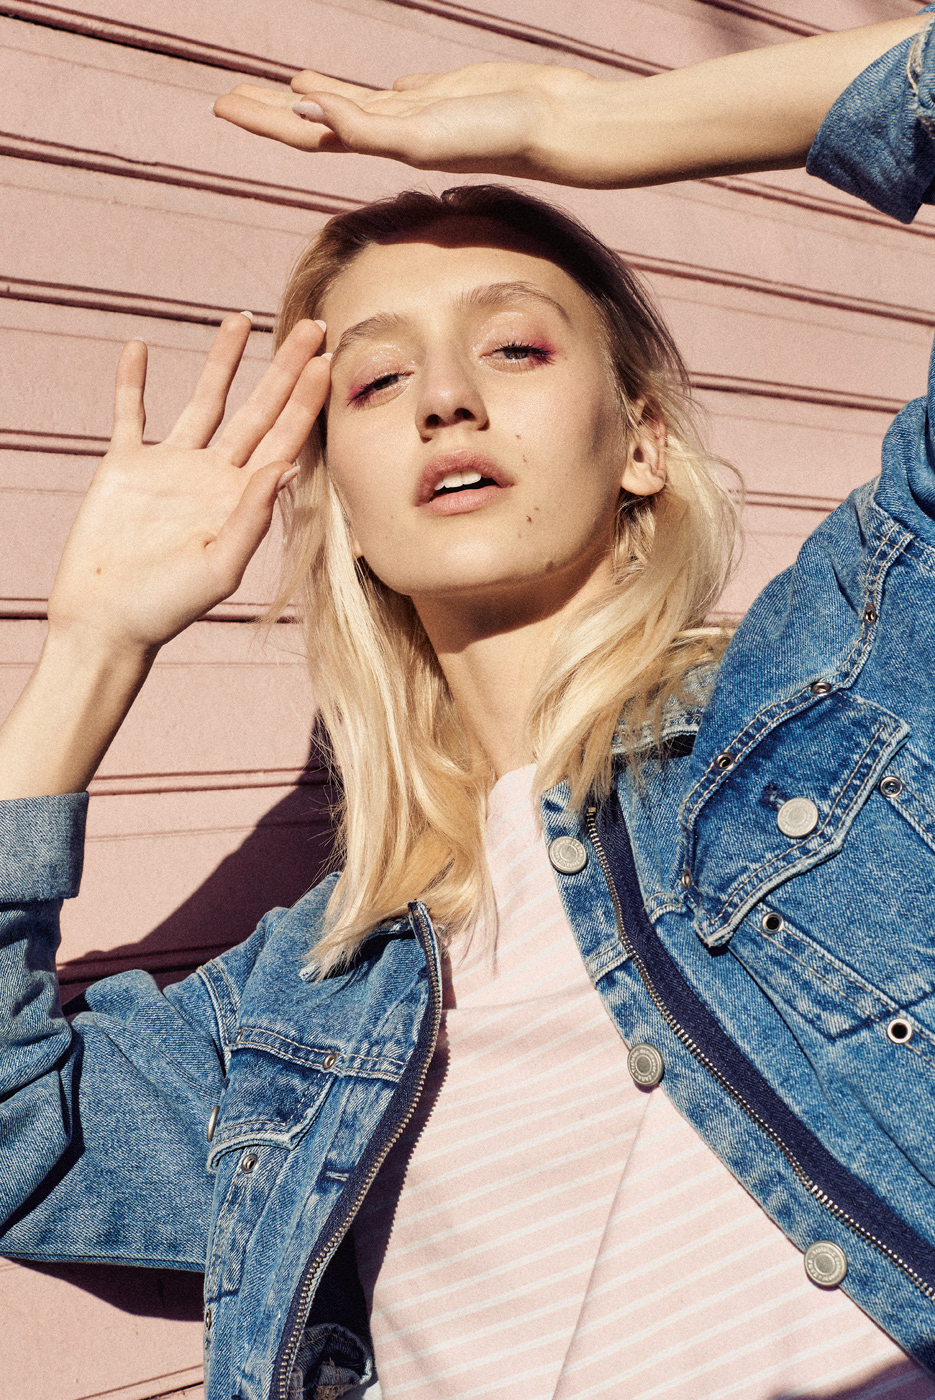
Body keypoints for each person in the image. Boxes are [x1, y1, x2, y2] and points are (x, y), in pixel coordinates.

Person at [2, 9, 935, 1399]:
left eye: (515, 349)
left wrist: (576, 122)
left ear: (641, 440)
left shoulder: (850, 686)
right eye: (378, 379)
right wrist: (90, 650)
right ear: (340, 497)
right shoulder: (303, 1000)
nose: (444, 398)